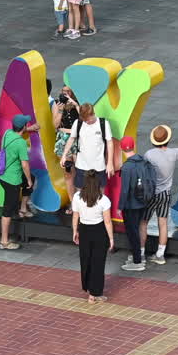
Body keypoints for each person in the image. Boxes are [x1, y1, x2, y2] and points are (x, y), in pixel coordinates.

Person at [143, 122, 178, 265]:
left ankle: (140, 253)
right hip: (165, 194)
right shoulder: (173, 153)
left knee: (143, 222)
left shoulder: (149, 154)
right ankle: (160, 255)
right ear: (168, 139)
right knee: (163, 223)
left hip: (151, 194)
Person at [72, 169, 114, 303]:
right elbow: (107, 222)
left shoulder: (77, 197)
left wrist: (75, 231)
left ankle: (88, 289)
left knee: (86, 261)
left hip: (84, 230)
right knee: (98, 263)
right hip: (99, 231)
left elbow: (75, 216)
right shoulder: (104, 200)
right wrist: (111, 238)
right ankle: (96, 293)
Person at [0, 115, 33, 250]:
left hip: (2, 175)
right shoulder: (21, 143)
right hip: (12, 180)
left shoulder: (7, 133)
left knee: (31, 178)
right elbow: (25, 165)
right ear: (24, 127)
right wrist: (28, 180)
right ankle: (4, 241)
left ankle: (22, 209)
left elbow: (19, 132)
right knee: (8, 209)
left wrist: (29, 129)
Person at [117, 136, 153, 272]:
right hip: (143, 202)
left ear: (121, 148)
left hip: (130, 205)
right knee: (138, 229)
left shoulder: (126, 167)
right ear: (134, 146)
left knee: (132, 233)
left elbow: (125, 190)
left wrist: (120, 207)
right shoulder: (143, 161)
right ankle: (139, 256)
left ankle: (137, 262)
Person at [63, 102, 113, 192]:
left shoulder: (103, 123)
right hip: (81, 165)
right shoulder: (78, 123)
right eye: (85, 120)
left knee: (100, 194)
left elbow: (110, 143)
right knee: (80, 193)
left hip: (99, 166)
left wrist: (110, 163)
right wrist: (64, 155)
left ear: (93, 113)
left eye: (89, 120)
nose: (87, 122)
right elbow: (71, 139)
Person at [52, 87, 80, 208]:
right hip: (63, 139)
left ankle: (81, 201)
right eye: (64, 91)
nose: (66, 94)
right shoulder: (57, 104)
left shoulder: (78, 102)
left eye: (69, 91)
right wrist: (60, 110)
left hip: (78, 138)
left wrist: (76, 105)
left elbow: (85, 120)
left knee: (80, 171)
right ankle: (73, 203)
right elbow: (55, 125)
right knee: (68, 173)